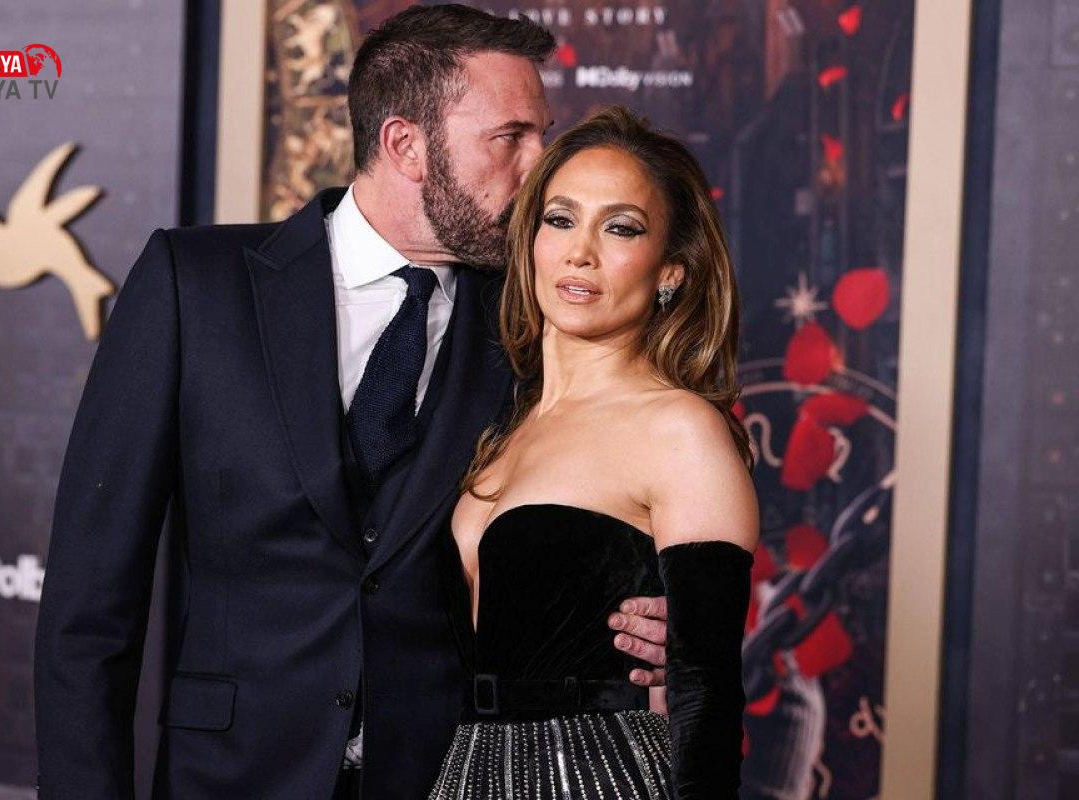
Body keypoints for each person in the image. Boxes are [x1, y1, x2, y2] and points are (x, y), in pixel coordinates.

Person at [33, 6, 670, 799]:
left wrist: (655, 613)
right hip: (230, 777)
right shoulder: (196, 285)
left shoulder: (537, 323)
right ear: (405, 145)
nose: (541, 167)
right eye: (511, 137)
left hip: (444, 778)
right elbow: (90, 602)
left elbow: (596, 513)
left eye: (542, 136)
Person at [428, 106, 760, 799]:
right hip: (466, 772)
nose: (581, 251)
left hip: (600, 776)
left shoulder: (681, 429)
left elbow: (706, 698)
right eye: (560, 219)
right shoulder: (500, 427)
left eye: (621, 228)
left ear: (671, 271)